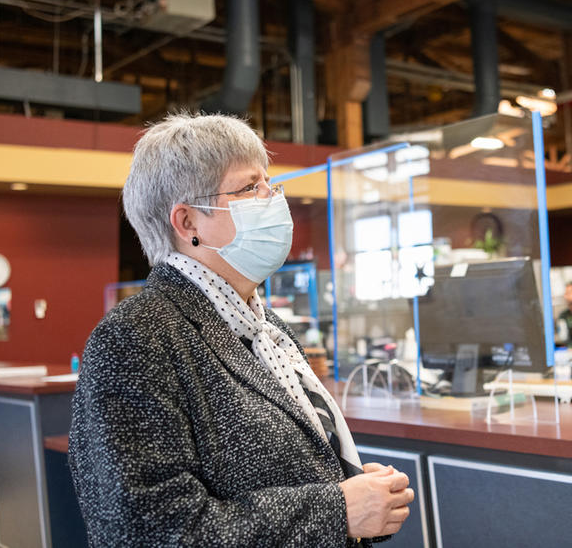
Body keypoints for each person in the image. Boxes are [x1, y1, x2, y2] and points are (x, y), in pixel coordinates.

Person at [69, 113, 414, 547]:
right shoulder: (135, 338)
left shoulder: (264, 327)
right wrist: (337, 511)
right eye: (251, 187)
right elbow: (147, 532)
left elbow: (280, 470)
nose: (272, 198)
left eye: (269, 183)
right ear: (188, 222)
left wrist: (353, 487)